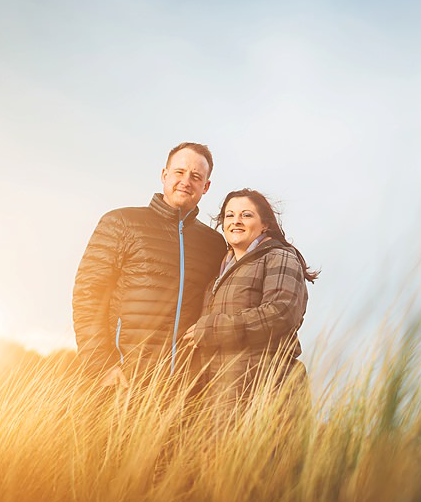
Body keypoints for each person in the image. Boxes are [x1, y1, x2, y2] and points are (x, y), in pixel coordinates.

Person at [72, 142, 228, 388]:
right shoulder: (120, 222)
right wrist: (99, 365)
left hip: (184, 387)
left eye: (196, 176)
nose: (186, 181)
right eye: (179, 172)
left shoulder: (214, 244)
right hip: (121, 379)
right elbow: (88, 294)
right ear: (164, 175)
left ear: (206, 186)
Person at [179, 188, 318, 418]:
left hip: (267, 390)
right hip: (224, 393)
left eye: (246, 215)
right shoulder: (221, 270)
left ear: (265, 225)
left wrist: (211, 329)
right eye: (230, 215)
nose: (236, 221)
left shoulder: (279, 256)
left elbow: (280, 313)